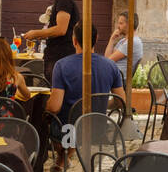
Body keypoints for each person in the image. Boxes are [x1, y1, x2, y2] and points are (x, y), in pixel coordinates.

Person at [46, 23, 126, 151]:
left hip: (69, 132)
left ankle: (63, 158)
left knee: (45, 119)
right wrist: (101, 104)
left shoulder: (62, 66)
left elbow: (54, 107)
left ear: (74, 40)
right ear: (96, 39)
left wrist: (45, 105)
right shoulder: (111, 66)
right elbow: (122, 103)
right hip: (98, 131)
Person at [23, 0, 78, 82]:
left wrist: (36, 33)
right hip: (57, 56)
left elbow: (61, 29)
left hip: (61, 56)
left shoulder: (65, 0)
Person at [105, 11, 143, 76]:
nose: (118, 26)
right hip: (112, 75)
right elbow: (107, 58)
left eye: (121, 23)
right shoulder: (123, 41)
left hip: (118, 78)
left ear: (129, 25)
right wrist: (112, 39)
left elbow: (108, 62)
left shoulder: (132, 42)